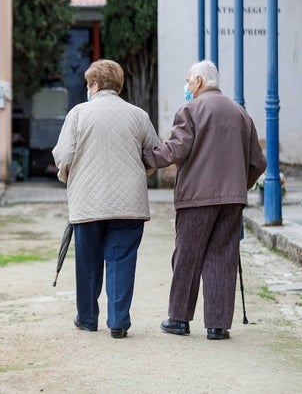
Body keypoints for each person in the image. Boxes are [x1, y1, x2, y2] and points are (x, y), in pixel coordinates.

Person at [142, 60, 266, 341]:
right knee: (223, 258)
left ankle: (178, 319)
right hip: (232, 200)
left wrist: (146, 156)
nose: (186, 87)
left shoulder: (191, 110)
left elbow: (176, 149)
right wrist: (239, 185)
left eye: (188, 81)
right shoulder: (240, 113)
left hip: (197, 198)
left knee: (187, 256)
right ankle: (218, 325)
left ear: (198, 81)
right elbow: (258, 162)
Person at [52, 59, 159, 339]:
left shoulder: (78, 113)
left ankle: (87, 318)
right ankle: (118, 321)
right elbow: (154, 154)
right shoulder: (139, 115)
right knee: (121, 259)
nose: (87, 88)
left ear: (95, 85)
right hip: (130, 204)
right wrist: (140, 174)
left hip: (88, 203)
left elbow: (63, 156)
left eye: (89, 83)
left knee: (87, 262)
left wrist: (68, 177)